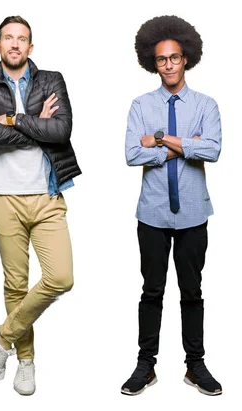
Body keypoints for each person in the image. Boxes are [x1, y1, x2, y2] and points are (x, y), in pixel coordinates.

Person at [0, 15, 81, 395]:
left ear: (31, 47)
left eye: (22, 39)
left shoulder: (52, 80)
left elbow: (60, 131)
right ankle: (26, 363)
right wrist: (34, 123)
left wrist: (12, 119)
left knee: (61, 277)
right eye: (7, 38)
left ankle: (2, 337)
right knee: (15, 283)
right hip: (4, 196)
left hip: (47, 194)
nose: (14, 44)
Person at [121, 15, 222, 396]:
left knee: (192, 291)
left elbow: (211, 149)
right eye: (161, 59)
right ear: (153, 61)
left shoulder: (205, 105)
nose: (168, 65)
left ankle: (195, 366)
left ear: (186, 58)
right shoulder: (140, 104)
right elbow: (131, 155)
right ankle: (145, 366)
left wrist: (159, 139)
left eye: (175, 58)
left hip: (195, 212)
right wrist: (182, 143)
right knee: (152, 291)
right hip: (153, 214)